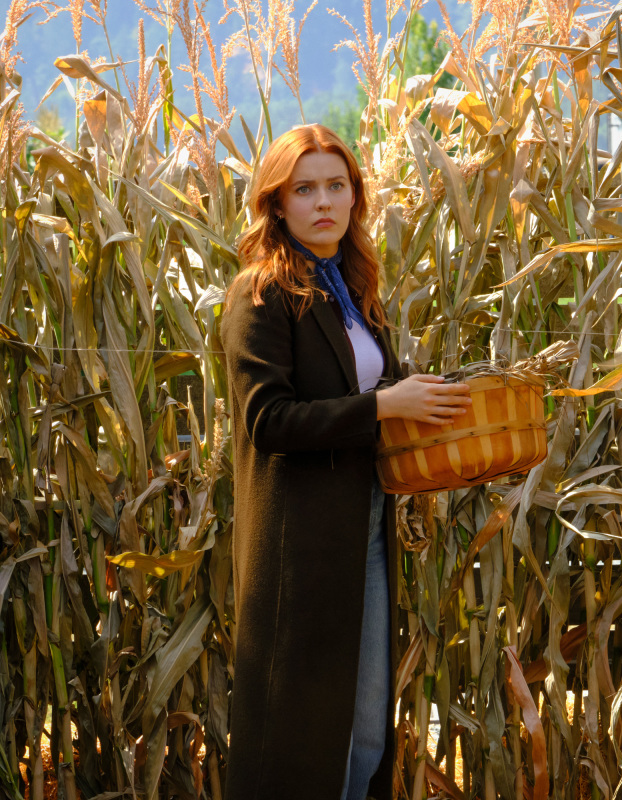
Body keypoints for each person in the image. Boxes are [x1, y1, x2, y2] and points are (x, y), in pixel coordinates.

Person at [219, 124, 471, 799]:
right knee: (297, 737)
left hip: (366, 528)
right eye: (305, 189)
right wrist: (384, 409)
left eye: (337, 186)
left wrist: (437, 401)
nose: (324, 202)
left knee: (365, 729)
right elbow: (269, 421)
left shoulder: (357, 291)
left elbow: (377, 391)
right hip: (298, 549)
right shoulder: (260, 295)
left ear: (356, 199)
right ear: (277, 204)